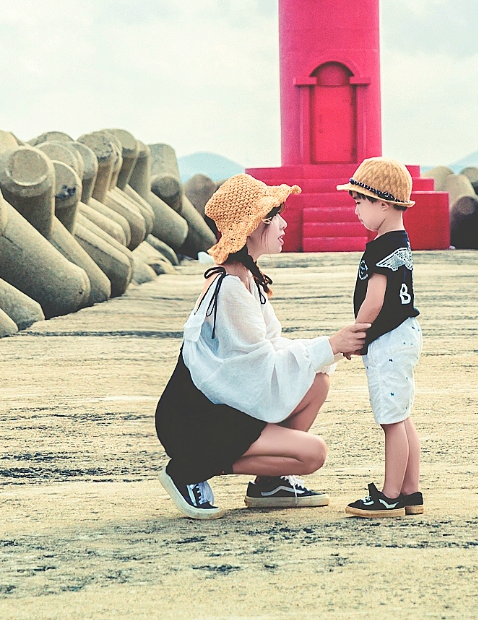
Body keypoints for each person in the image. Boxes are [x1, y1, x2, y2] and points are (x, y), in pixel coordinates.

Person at [154, 173, 370, 518]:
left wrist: (329, 349)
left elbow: (268, 351)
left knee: (318, 381)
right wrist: (330, 345)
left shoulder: (246, 279)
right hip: (194, 422)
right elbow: (261, 370)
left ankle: (268, 483)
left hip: (224, 405)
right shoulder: (228, 290)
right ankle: (188, 469)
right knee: (313, 454)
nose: (283, 224)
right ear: (252, 227)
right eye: (273, 217)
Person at [337, 158, 425, 519]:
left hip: (388, 340)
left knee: (390, 419)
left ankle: (389, 496)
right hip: (404, 334)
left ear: (383, 204)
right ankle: (410, 491)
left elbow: (374, 301)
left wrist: (356, 335)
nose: (356, 209)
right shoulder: (399, 242)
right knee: (402, 416)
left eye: (360, 201)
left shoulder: (380, 249)